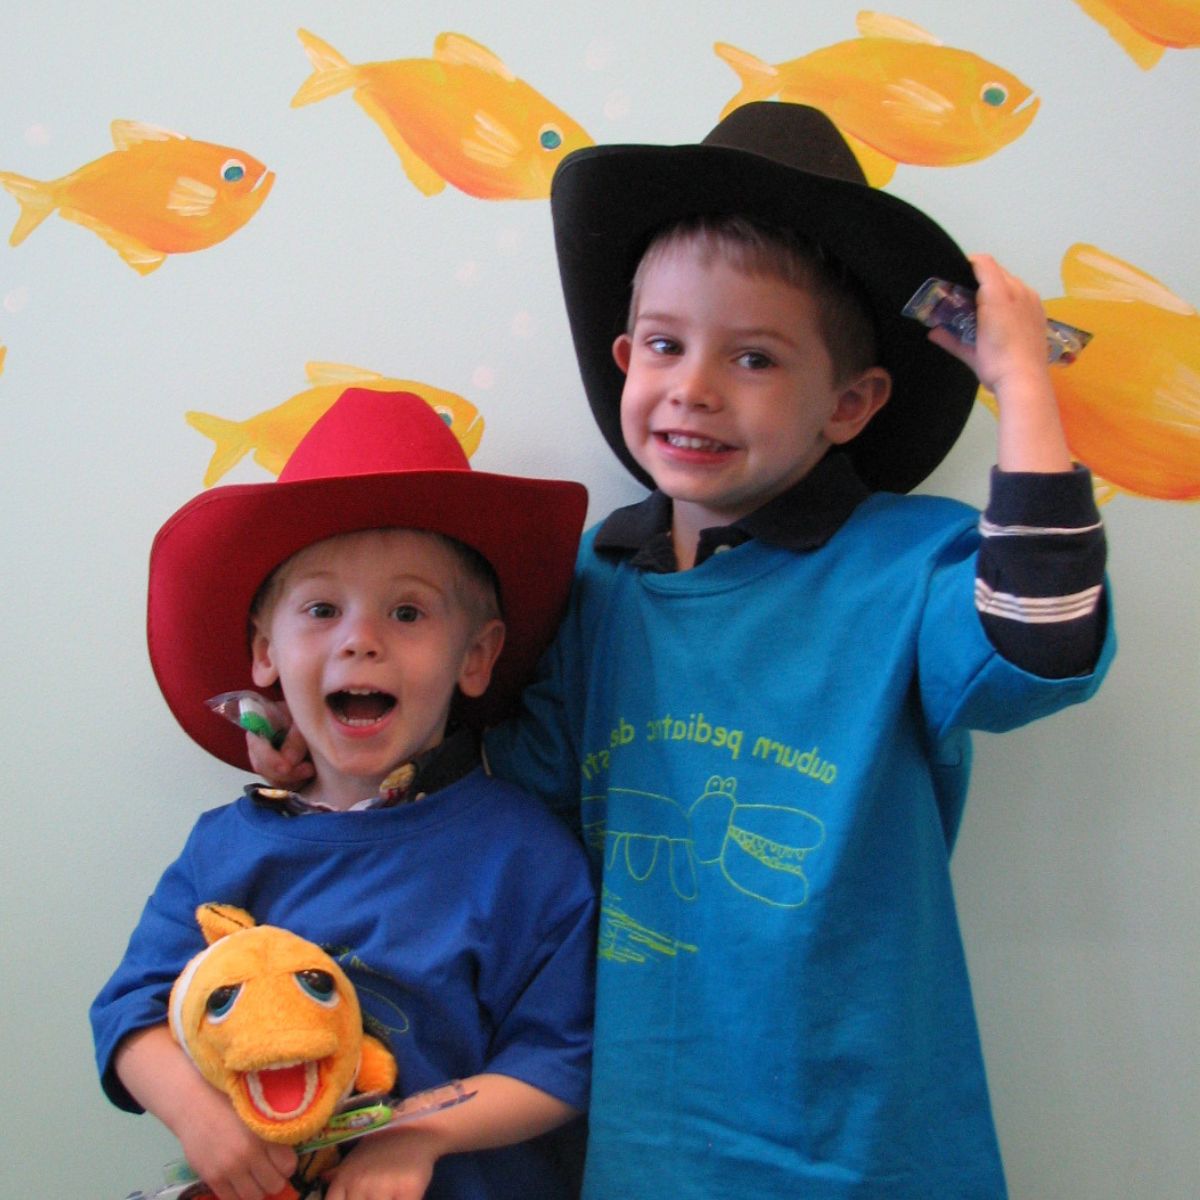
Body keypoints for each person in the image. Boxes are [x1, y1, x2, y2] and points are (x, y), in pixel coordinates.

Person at [254, 105, 1116, 1198]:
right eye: (665, 345)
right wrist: (326, 747)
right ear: (624, 359)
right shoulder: (596, 584)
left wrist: (1025, 386)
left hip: (863, 1135)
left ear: (849, 404)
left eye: (754, 357)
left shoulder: (909, 564)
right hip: (640, 1134)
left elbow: (1043, 640)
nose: (694, 387)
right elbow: (501, 790)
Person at [90, 388, 595, 1200]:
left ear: (476, 656)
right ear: (266, 652)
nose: (361, 639)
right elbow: (128, 1012)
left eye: (408, 612)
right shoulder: (225, 847)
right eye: (323, 609)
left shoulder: (525, 855)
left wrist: (417, 1134)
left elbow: (562, 1062)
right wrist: (195, 1114)